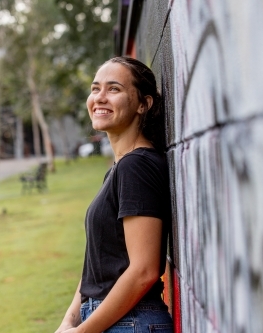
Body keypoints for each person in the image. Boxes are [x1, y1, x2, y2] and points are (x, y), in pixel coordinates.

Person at [55, 57, 173, 333]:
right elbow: (97, 267)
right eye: (95, 89)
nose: (100, 98)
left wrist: (84, 331)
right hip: (113, 319)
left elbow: (144, 270)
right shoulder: (120, 169)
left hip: (130, 322)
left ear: (143, 104)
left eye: (114, 89)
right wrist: (69, 321)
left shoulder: (137, 166)